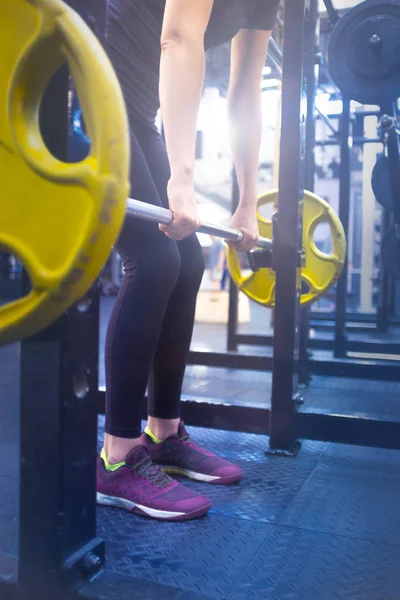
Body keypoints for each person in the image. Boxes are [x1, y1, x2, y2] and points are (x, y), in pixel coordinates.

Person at [97, 0, 279, 521]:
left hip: (134, 110)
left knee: (188, 263)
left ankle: (164, 433)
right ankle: (117, 456)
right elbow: (177, 37)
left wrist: (248, 200)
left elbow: (246, 94)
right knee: (154, 260)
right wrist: (182, 176)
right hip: (86, 88)